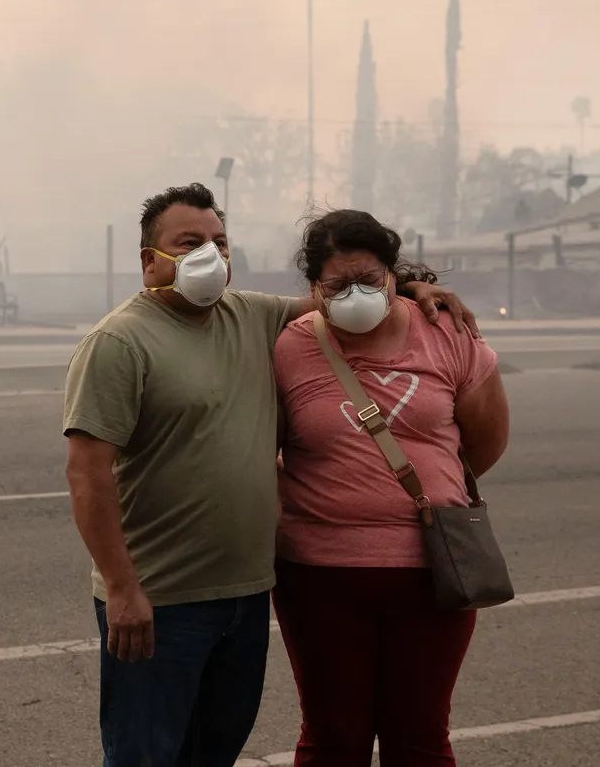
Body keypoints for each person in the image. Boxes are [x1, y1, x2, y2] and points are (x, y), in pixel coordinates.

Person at [62, 184, 477, 767]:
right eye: (189, 242)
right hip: (161, 600)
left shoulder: (250, 315)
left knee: (214, 751)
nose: (211, 253)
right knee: (145, 755)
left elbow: (343, 294)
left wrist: (409, 285)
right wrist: (123, 589)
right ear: (149, 260)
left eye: (220, 241)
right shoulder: (118, 342)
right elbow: (87, 477)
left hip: (247, 595)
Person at [272, 209, 510, 767]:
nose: (355, 294)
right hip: (318, 578)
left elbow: (486, 443)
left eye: (370, 280)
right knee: (334, 740)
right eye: (337, 285)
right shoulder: (288, 346)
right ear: (314, 289)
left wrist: (421, 490)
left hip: (434, 572)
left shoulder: (445, 331)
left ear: (392, 275)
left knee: (420, 740)